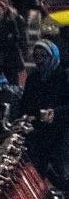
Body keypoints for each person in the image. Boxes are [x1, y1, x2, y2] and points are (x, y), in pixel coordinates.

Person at [20, 40, 69, 182]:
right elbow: (25, 105)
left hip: (60, 133)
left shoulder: (63, 77)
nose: (39, 60)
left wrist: (55, 112)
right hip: (38, 133)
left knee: (60, 173)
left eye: (43, 56)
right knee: (36, 173)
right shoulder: (33, 79)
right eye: (36, 56)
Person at [0, 0, 26, 87]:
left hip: (10, 57)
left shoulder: (11, 22)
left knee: (12, 81)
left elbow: (16, 38)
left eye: (0, 10)